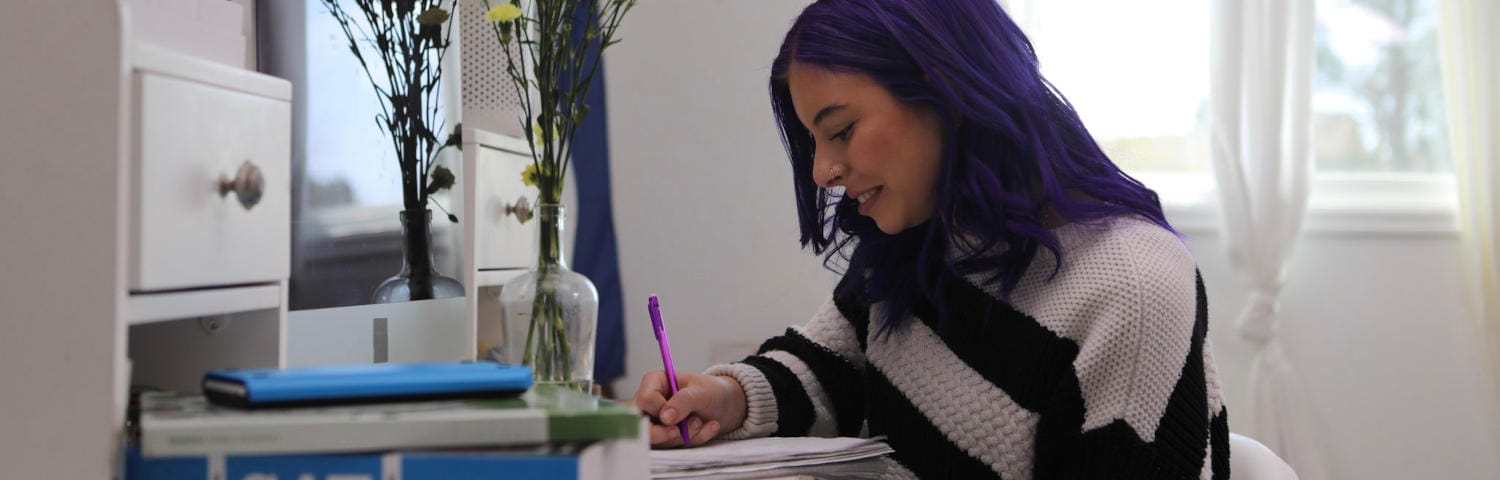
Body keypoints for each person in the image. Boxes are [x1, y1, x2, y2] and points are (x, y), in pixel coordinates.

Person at [631, 0, 1230, 478]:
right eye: (816, 141)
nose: (821, 172)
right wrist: (728, 396)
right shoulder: (929, 234)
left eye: (840, 130)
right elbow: (833, 365)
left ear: (945, 88)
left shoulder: (1131, 291)